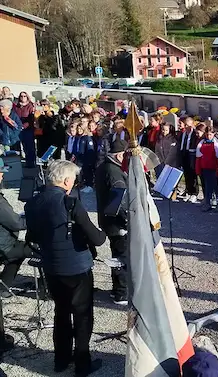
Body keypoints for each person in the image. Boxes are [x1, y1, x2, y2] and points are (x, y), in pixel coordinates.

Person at [25, 160, 106, 376]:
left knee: (60, 312)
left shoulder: (32, 204)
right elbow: (97, 239)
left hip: (52, 268)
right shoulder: (70, 203)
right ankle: (82, 364)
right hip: (77, 268)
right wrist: (105, 232)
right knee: (82, 315)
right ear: (67, 180)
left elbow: (31, 236)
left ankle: (61, 360)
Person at [95, 139, 128, 305]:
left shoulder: (103, 166)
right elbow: (119, 200)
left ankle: (118, 289)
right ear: (120, 155)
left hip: (107, 219)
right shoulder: (114, 171)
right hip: (116, 223)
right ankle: (121, 292)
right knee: (122, 256)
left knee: (117, 254)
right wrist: (127, 221)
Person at [0, 158, 32, 295]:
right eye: (0, 173)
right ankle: (46, 287)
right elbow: (16, 224)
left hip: (3, 243)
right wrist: (32, 219)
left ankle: (4, 287)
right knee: (36, 249)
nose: (2, 176)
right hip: (3, 247)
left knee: (18, 252)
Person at [195, 126, 218, 211]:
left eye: (210, 134)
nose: (209, 136)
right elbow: (198, 154)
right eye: (207, 134)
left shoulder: (216, 143)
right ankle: (208, 202)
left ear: (213, 134)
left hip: (214, 167)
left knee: (216, 185)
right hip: (205, 167)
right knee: (207, 185)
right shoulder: (202, 142)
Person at [178, 117, 200, 203]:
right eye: (186, 125)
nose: (187, 127)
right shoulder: (183, 134)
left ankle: (194, 192)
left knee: (193, 174)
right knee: (186, 174)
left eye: (188, 125)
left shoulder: (194, 134)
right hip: (184, 154)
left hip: (192, 155)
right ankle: (188, 191)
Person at [13, 92, 36, 167]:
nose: (23, 97)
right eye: (21, 96)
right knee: (18, 146)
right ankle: (18, 162)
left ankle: (31, 163)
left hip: (28, 129)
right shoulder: (16, 106)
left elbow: (31, 119)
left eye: (24, 96)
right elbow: (14, 116)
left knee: (29, 147)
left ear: (27, 97)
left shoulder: (30, 106)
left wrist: (23, 126)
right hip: (17, 129)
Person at [77, 122, 96, 193]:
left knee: (88, 172)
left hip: (87, 159)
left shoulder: (88, 138)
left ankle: (90, 185)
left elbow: (90, 149)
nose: (79, 130)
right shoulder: (81, 138)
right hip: (82, 159)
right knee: (85, 172)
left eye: (80, 129)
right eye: (78, 129)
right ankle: (87, 184)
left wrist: (90, 161)